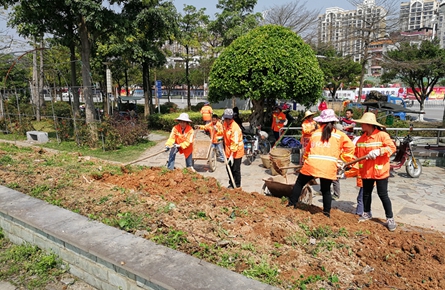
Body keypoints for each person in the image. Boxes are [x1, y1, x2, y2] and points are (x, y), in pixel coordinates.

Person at [287, 109, 355, 218]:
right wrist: (342, 159)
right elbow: (351, 147)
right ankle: (326, 213)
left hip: (312, 165)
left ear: (321, 122)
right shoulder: (339, 135)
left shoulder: (315, 134)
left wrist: (305, 160)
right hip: (328, 167)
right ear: (333, 122)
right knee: (326, 189)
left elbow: (307, 150)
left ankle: (291, 204)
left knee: (299, 183)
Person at [354, 112, 397, 231]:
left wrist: (380, 151)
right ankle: (367, 213)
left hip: (380, 171)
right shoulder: (361, 139)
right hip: (367, 172)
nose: (361, 125)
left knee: (383, 194)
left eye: (363, 123)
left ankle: (390, 218)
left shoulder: (382, 135)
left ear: (369, 124)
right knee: (366, 194)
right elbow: (356, 155)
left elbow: (392, 148)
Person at [222, 108, 244, 188]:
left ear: (232, 118)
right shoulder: (225, 124)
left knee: (236, 169)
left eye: (229, 119)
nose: (227, 120)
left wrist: (232, 155)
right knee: (228, 168)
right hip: (228, 150)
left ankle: (237, 185)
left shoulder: (235, 128)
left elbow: (235, 143)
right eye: (226, 118)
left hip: (237, 151)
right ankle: (231, 183)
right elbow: (223, 132)